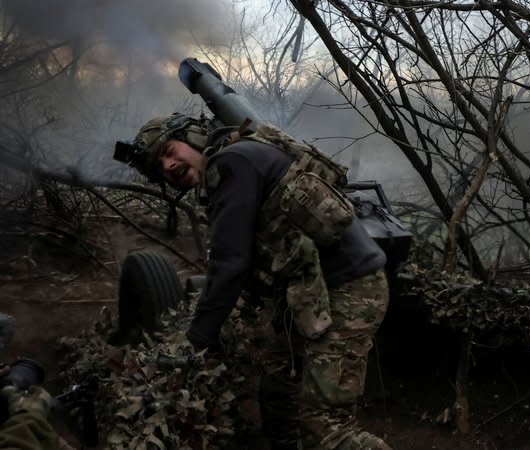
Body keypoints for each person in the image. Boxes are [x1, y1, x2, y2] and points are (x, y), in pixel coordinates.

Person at [121, 114, 391, 450]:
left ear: (192, 137)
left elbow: (230, 262)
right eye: (160, 165)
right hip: (309, 290)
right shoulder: (239, 154)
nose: (170, 164)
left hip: (350, 290)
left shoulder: (229, 163)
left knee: (324, 426)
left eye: (169, 150)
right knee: (279, 390)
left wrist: (194, 341)